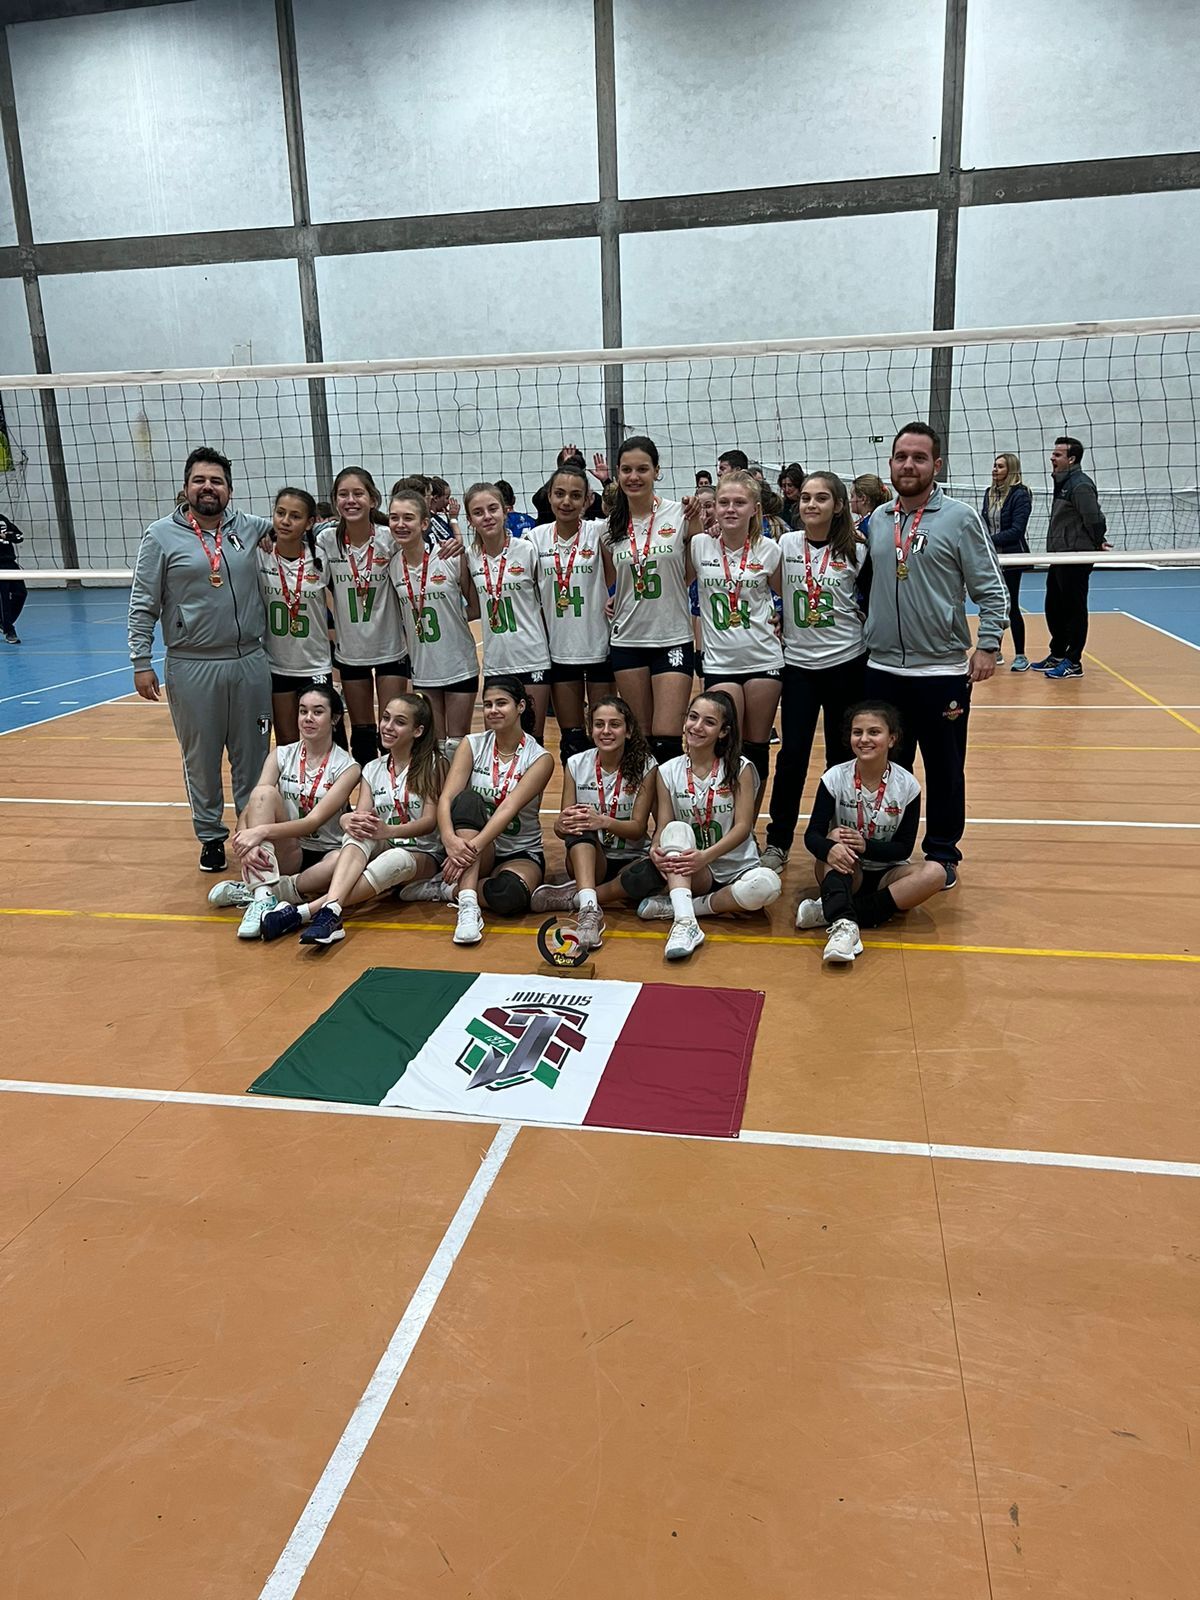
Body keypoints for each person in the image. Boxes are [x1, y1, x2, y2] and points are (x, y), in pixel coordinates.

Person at [860, 423, 1008, 886]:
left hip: (942, 669)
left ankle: (943, 855)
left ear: (936, 465)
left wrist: (987, 644)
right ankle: (890, 849)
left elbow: (993, 590)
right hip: (882, 668)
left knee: (944, 769)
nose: (909, 465)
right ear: (891, 464)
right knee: (889, 770)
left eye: (919, 458)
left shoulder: (960, 518)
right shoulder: (878, 519)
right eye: (901, 456)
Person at [129, 446, 274, 872]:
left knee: (253, 755)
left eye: (217, 481)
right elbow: (143, 603)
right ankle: (210, 836)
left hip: (250, 661)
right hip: (192, 664)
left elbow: (308, 524)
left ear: (229, 489)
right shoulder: (160, 535)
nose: (208, 488)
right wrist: (141, 660)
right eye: (200, 480)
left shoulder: (250, 528)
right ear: (186, 486)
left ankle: (253, 833)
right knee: (202, 758)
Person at [260, 692, 445, 946]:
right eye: (386, 718)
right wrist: (348, 819)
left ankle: (308, 911)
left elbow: (430, 822)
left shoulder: (434, 764)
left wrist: (387, 831)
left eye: (399, 722)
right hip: (384, 842)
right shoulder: (372, 768)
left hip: (423, 852)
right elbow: (363, 816)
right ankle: (331, 913)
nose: (388, 727)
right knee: (358, 832)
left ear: (418, 731)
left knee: (394, 858)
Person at [760, 470, 867, 873]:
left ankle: (837, 835)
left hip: (847, 662)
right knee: (792, 757)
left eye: (821, 498)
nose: (811, 505)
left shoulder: (859, 549)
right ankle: (779, 841)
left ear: (838, 505)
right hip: (800, 666)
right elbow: (750, 579)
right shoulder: (785, 544)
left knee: (842, 758)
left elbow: (873, 601)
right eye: (805, 498)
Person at [621, 691, 780, 959]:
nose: (697, 726)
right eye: (693, 717)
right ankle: (685, 924)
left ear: (723, 731)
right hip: (695, 872)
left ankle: (684, 907)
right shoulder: (667, 771)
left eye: (708, 722)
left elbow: (743, 827)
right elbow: (663, 826)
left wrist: (704, 856)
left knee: (768, 885)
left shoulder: (740, 768)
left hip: (737, 869)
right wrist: (655, 849)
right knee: (675, 830)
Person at [404, 675, 555, 946]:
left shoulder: (540, 758)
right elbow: (447, 797)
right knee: (467, 800)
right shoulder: (472, 744)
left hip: (518, 851)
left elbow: (508, 807)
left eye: (501, 703)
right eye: (487, 705)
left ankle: (450, 890)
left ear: (520, 706)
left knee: (511, 896)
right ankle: (469, 906)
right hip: (476, 848)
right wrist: (449, 839)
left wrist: (466, 850)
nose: (493, 710)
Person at [795, 701, 945, 964]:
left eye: (874, 732)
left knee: (936, 873)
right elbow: (813, 835)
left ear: (892, 738)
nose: (864, 739)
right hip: (847, 870)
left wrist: (867, 846)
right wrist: (831, 849)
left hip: (888, 873)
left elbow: (904, 848)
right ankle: (843, 926)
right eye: (857, 732)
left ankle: (834, 912)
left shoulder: (907, 785)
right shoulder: (834, 777)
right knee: (835, 837)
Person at [207, 682, 361, 938]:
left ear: (334, 718)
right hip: (286, 849)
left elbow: (313, 821)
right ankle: (264, 897)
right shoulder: (281, 755)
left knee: (341, 864)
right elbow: (253, 806)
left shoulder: (347, 767)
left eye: (317, 712)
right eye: (303, 711)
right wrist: (245, 840)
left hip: (324, 853)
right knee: (263, 793)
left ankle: (255, 891)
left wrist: (260, 833)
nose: (308, 718)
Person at [602, 435, 702, 766]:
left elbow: (690, 572)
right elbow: (609, 582)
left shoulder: (681, 514)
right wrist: (612, 600)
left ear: (657, 471)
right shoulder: (610, 528)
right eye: (627, 469)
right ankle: (641, 816)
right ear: (617, 473)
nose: (634, 477)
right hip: (627, 639)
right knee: (640, 739)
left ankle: (668, 818)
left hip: (672, 636)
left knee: (668, 739)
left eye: (642, 469)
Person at [531, 695, 658, 950]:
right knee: (580, 825)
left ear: (629, 730)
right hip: (589, 857)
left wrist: (602, 821)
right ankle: (589, 914)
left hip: (629, 859)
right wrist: (564, 825)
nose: (606, 731)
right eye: (599, 724)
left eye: (615, 724)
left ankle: (578, 896)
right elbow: (561, 824)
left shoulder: (647, 765)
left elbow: (637, 830)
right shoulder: (577, 764)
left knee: (649, 876)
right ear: (591, 729)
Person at [690, 469, 782, 793]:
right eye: (723, 502)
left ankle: (748, 831)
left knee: (756, 751)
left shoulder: (771, 550)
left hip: (764, 658)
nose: (730, 509)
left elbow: (791, 595)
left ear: (754, 509)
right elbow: (673, 581)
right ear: (713, 506)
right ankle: (729, 827)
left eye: (739, 502)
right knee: (727, 750)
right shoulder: (700, 545)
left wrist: (783, 618)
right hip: (720, 662)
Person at [316, 466, 410, 768]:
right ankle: (369, 800)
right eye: (343, 495)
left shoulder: (390, 539)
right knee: (364, 735)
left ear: (373, 499)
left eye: (358, 493)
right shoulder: (327, 542)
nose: (351, 500)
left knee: (393, 730)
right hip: (351, 652)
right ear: (335, 501)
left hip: (390, 649)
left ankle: (398, 797)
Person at [529, 461, 614, 763]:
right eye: (560, 494)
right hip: (559, 651)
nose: (567, 502)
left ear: (588, 501)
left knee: (605, 738)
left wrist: (607, 482)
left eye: (576, 495)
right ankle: (574, 807)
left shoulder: (600, 531)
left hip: (600, 647)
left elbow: (624, 515)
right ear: (549, 496)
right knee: (574, 740)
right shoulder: (533, 539)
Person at [386, 488, 478, 760]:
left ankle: (456, 801)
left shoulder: (450, 557)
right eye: (394, 518)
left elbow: (473, 607)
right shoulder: (392, 567)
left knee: (457, 744)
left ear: (424, 523)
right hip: (424, 668)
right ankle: (435, 801)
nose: (400, 524)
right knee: (432, 746)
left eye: (408, 518)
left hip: (458, 663)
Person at [460, 481, 551, 739]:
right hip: (496, 663)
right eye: (478, 512)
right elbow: (474, 608)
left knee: (533, 741)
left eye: (492, 509)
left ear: (505, 511)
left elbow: (547, 601)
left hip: (532, 656)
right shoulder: (468, 557)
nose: (487, 517)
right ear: (469, 519)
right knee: (497, 744)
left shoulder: (528, 550)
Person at [257, 487, 332, 745]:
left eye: (295, 516)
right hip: (276, 664)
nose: (286, 521)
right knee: (287, 741)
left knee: (320, 739)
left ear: (310, 522)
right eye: (280, 513)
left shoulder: (322, 557)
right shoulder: (260, 555)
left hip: (315, 663)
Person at [1032, 436, 1110, 679]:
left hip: (1076, 555)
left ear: (1071, 459)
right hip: (1060, 555)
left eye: (1057, 454)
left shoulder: (1080, 485)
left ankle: (1073, 661)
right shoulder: (1062, 481)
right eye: (1053, 453)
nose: (1052, 458)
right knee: (1053, 606)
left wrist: (1098, 542)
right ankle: (1057, 653)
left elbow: (1094, 518)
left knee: (1074, 609)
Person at [981, 453, 1033, 671]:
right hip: (993, 557)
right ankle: (995, 650)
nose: (995, 469)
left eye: (1000, 466)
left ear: (1010, 470)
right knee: (994, 603)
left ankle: (1021, 655)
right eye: (994, 465)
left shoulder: (1020, 494)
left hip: (1012, 557)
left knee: (1011, 604)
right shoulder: (989, 493)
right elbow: (984, 521)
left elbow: (1016, 530)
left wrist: (986, 541)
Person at [531, 445, 609, 522]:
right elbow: (538, 499)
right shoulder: (547, 497)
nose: (566, 502)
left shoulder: (589, 498)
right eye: (568, 470)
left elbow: (616, 509)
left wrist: (606, 481)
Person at [0, 510, 28, 644]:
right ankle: (9, 630)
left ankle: (3, 622)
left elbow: (19, 536)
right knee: (3, 598)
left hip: (10, 563)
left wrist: (6, 537)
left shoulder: (2, 519)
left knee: (21, 593)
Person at [427, 476, 462, 544]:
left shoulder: (437, 517)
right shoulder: (432, 519)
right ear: (436, 498)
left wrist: (449, 519)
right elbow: (458, 544)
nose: (449, 502)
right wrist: (453, 519)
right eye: (447, 498)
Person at [778, 463, 806, 530]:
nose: (787, 489)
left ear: (798, 485)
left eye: (790, 485)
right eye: (784, 486)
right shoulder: (780, 505)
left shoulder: (805, 504)